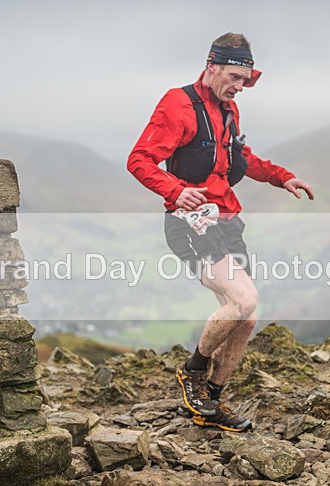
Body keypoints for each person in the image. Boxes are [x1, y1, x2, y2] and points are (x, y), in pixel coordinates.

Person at [127, 32, 314, 432]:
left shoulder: (229, 109)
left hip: (228, 221)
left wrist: (283, 178)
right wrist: (176, 191)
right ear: (211, 67)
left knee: (245, 319)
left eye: (245, 80)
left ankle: (209, 401)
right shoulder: (178, 104)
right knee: (244, 299)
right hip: (190, 223)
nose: (239, 87)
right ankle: (192, 371)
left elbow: (239, 157)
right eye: (233, 77)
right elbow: (139, 160)